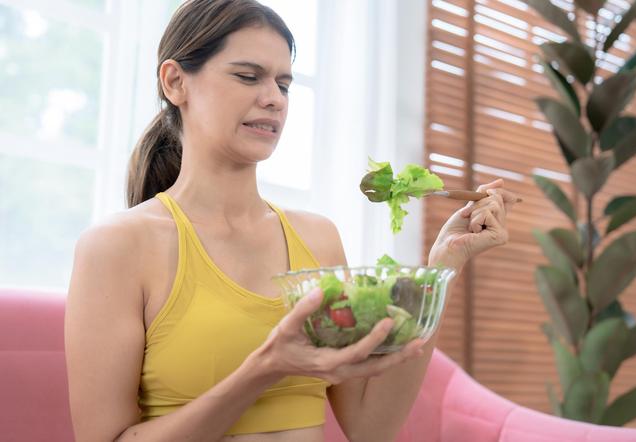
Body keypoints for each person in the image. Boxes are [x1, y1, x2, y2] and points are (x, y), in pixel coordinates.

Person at [64, 0, 517, 440]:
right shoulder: (117, 246)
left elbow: (370, 427)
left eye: (283, 84)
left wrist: (444, 266)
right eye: (248, 76)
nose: (273, 100)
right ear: (175, 81)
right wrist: (267, 367)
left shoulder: (317, 238)